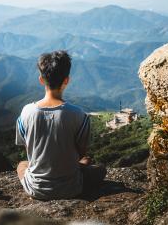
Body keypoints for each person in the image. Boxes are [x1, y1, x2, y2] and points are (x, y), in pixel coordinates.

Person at [16, 50, 106, 200]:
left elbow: (29, 151)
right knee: (98, 167)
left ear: (41, 80)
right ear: (66, 80)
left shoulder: (26, 112)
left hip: (37, 189)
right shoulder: (79, 115)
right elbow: (80, 152)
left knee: (22, 165)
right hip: (72, 187)